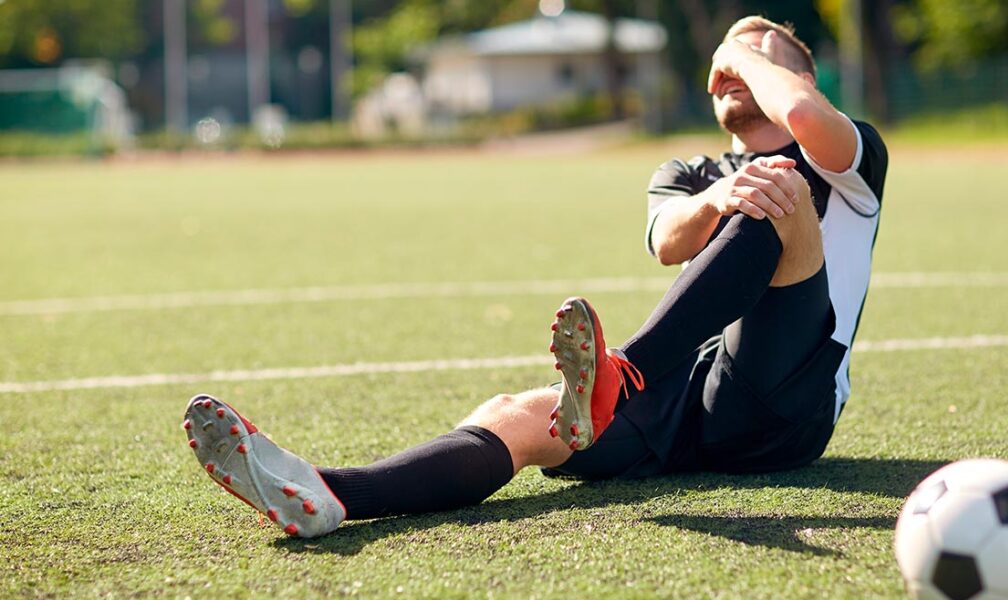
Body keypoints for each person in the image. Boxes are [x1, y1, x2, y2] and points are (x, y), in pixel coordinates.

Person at [182, 15, 887, 538]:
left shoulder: (847, 158)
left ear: (802, 77)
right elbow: (670, 243)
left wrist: (741, 48)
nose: (732, 69)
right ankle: (327, 494)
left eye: (756, 59)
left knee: (777, 189)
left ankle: (621, 374)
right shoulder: (685, 174)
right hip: (687, 398)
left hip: (788, 403)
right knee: (517, 414)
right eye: (724, 64)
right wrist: (717, 195)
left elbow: (797, 112)